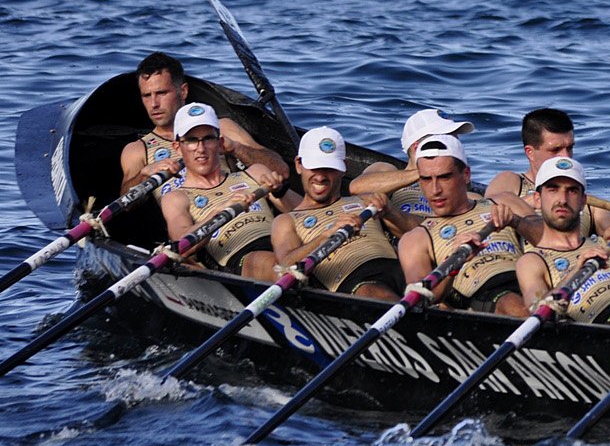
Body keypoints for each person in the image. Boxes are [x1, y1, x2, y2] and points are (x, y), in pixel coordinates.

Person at [396, 134, 539, 316]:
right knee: (509, 301)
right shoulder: (416, 238)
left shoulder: (503, 201)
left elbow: (549, 239)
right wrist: (453, 263)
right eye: (426, 179)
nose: (435, 190)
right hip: (483, 295)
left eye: (444, 177)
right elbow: (421, 299)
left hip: (531, 282)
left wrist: (516, 222)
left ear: (466, 175)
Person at [514, 157, 610, 329]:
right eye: (553, 190)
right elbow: (538, 309)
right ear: (537, 199)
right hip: (605, 324)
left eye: (571, 191)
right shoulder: (532, 260)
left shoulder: (607, 243)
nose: (562, 199)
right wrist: (577, 271)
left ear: (583, 201)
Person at [271, 126, 411, 300]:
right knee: (374, 293)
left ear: (343, 168)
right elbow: (285, 265)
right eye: (314, 168)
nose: (320, 177)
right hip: (356, 281)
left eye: (328, 169)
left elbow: (420, 233)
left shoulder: (364, 200)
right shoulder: (287, 220)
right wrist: (326, 236)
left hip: (400, 269)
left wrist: (391, 212)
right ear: (299, 165)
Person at [118, 52, 287, 194]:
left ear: (183, 91)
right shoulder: (137, 150)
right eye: (147, 96)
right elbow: (126, 205)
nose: (154, 104)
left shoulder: (222, 128)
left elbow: (282, 171)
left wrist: (236, 148)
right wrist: (143, 176)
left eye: (161, 93)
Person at [157, 103, 290, 281]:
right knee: (275, 263)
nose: (201, 148)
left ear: (220, 143)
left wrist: (281, 192)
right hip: (242, 258)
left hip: (285, 244)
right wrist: (218, 213)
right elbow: (183, 245)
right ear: (177, 147)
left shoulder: (255, 172)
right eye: (191, 140)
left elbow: (305, 213)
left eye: (208, 138)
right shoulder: (176, 197)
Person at [485, 108, 608, 237]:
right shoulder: (511, 181)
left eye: (569, 148)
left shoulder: (591, 205)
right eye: (555, 149)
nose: (565, 156)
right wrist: (534, 202)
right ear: (530, 153)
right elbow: (485, 216)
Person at [350, 108, 479, 231]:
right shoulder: (386, 169)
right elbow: (357, 188)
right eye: (446, 139)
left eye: (454, 138)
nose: (455, 144)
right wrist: (425, 172)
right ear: (417, 147)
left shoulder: (462, 188)